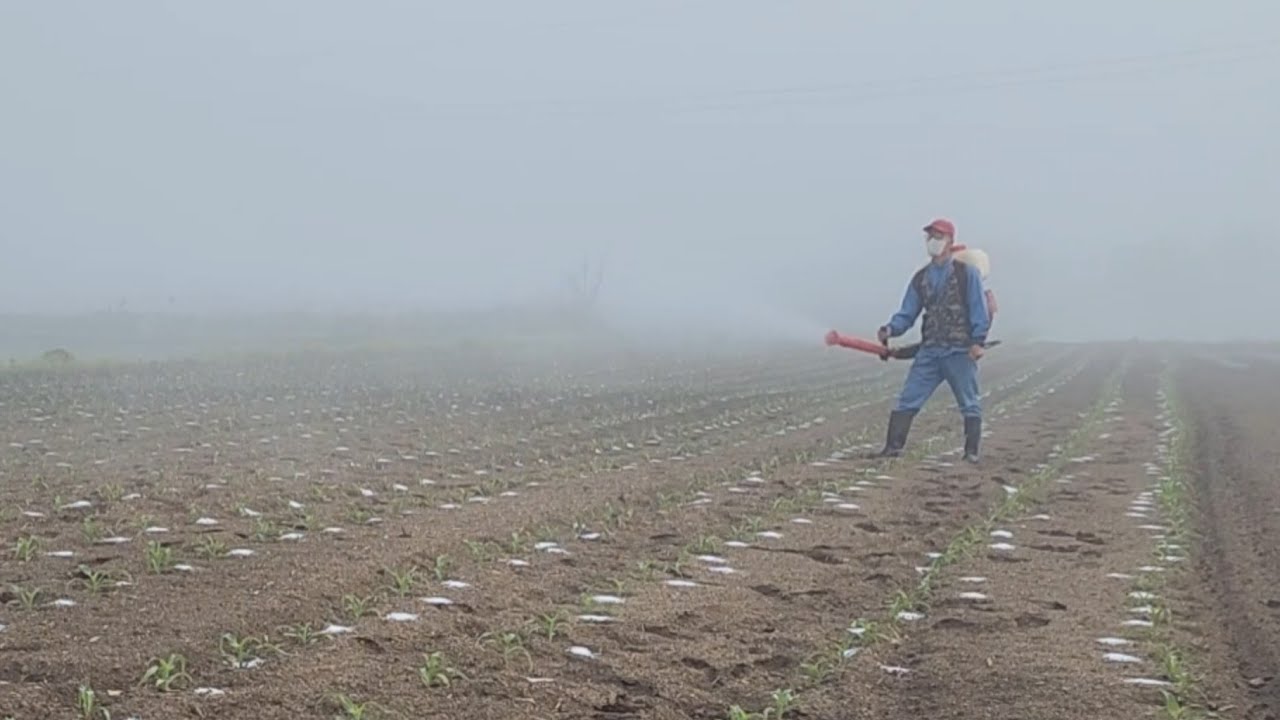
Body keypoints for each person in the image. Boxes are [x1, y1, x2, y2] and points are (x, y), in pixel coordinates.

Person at [872, 218, 991, 462]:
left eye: (938, 236)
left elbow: (979, 309)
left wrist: (978, 341)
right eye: (930, 237)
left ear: (950, 242)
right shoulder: (921, 278)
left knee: (969, 403)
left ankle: (971, 453)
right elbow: (908, 313)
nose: (933, 241)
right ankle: (892, 448)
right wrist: (890, 329)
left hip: (959, 351)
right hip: (930, 351)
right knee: (907, 399)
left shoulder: (967, 274)